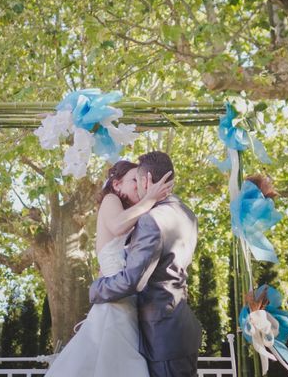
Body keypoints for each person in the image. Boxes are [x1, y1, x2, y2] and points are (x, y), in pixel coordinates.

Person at [44, 159, 174, 377]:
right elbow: (116, 225)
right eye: (134, 180)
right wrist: (151, 199)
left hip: (127, 298)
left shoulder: (137, 214)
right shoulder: (111, 200)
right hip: (115, 299)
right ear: (116, 184)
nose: (139, 185)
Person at [90, 151, 202, 377]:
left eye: (135, 180)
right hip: (176, 326)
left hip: (161, 333)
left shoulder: (152, 219)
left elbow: (133, 280)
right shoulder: (187, 214)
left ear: (145, 181)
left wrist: (96, 288)